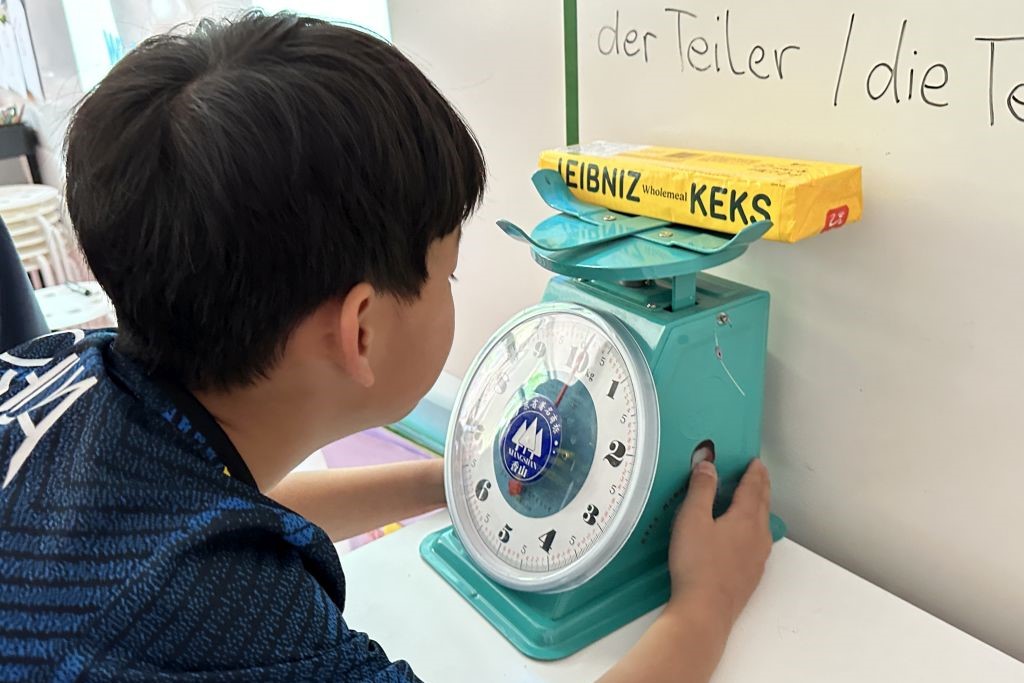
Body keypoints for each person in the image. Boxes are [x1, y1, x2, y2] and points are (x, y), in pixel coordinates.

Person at [0, 12, 771, 682]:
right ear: (360, 329)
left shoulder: (65, 368)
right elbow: (205, 566)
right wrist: (705, 605)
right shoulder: (235, 620)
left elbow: (220, 510)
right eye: (448, 274)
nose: (451, 289)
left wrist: (454, 483)